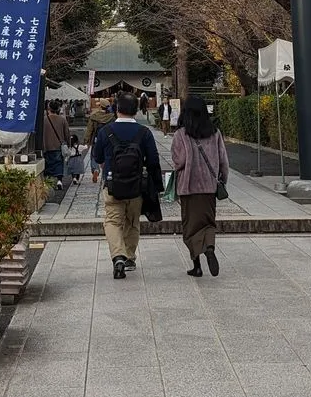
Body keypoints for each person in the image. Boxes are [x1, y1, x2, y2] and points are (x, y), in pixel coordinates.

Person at [91, 90, 162, 280]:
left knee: (113, 221)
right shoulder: (144, 132)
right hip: (136, 185)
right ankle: (129, 257)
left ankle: (118, 256)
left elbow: (97, 156)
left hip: (112, 185)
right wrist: (157, 185)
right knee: (132, 221)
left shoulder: (106, 131)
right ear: (136, 110)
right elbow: (154, 160)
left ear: (117, 109)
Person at [171, 95, 229, 277]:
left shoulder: (181, 134)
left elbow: (178, 161)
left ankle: (197, 266)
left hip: (189, 187)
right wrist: (222, 181)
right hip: (209, 188)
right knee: (208, 222)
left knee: (190, 226)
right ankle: (209, 247)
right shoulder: (215, 133)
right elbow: (223, 162)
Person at [41, 100, 69, 182]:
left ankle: (49, 180)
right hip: (58, 145)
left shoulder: (44, 120)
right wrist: (69, 144)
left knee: (48, 163)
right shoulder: (62, 120)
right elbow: (67, 133)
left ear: (48, 109)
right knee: (59, 163)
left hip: (46, 145)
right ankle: (59, 180)